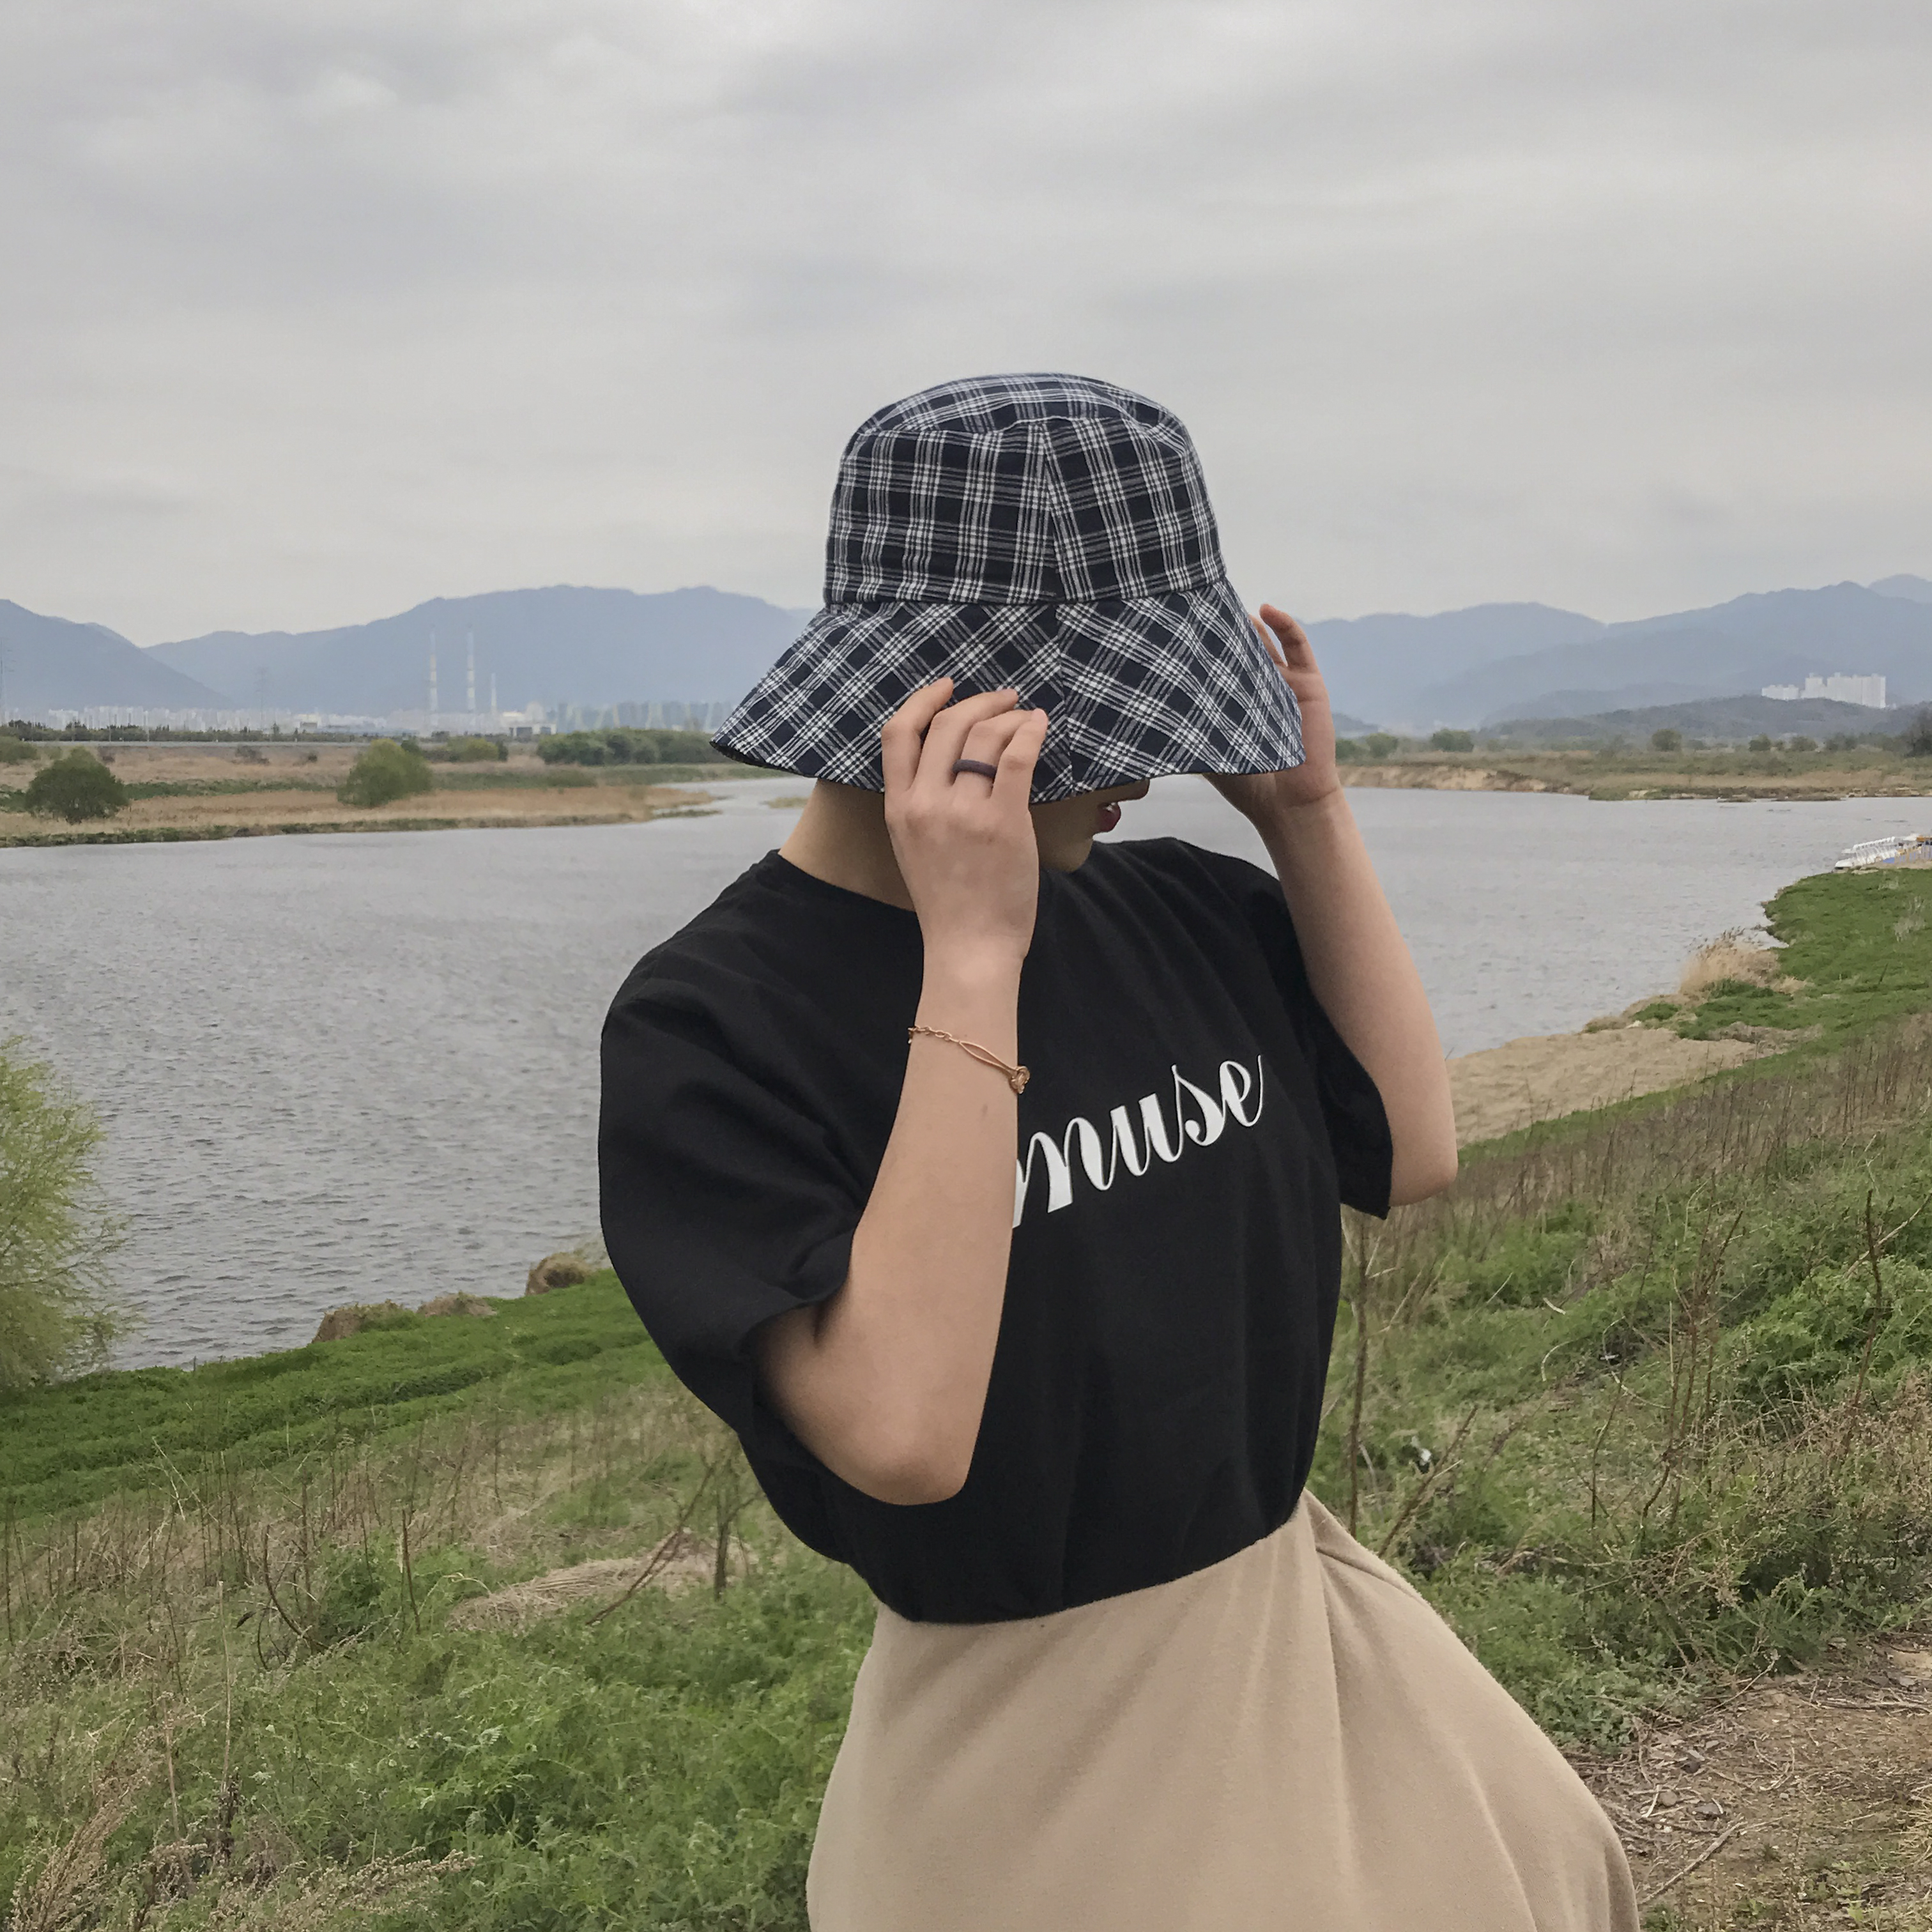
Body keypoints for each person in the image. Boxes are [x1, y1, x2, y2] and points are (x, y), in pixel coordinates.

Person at [600, 374, 1638, 1930]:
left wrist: (1310, 816)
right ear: (936, 719)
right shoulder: (713, 1025)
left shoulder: (1174, 910)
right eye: (1105, 727)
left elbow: (1412, 1151)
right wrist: (970, 961)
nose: (1145, 769)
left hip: (1303, 1624)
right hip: (1031, 1759)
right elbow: (900, 1432)